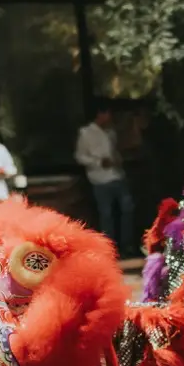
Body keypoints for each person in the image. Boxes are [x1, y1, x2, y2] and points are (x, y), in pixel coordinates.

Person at [75, 102, 136, 255]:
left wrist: (118, 159)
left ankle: (127, 244)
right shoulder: (86, 133)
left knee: (127, 208)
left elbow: (114, 151)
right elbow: (80, 156)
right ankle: (109, 247)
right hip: (100, 179)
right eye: (107, 114)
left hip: (117, 175)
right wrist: (98, 162)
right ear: (100, 114)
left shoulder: (110, 132)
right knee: (106, 214)